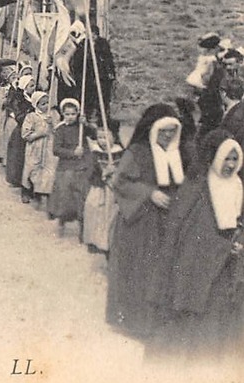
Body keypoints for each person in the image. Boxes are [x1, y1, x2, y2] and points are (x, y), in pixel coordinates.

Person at [150, 129, 244, 356]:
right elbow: (190, 234)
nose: (230, 165)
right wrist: (224, 247)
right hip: (199, 266)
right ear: (213, 158)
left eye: (235, 159)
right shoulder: (198, 188)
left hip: (227, 265)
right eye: (226, 158)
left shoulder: (237, 186)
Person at [106, 103, 184, 340]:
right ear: (152, 130)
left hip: (164, 223)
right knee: (138, 271)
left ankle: (154, 322)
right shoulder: (137, 152)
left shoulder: (175, 155)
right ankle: (135, 323)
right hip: (138, 223)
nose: (168, 136)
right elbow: (120, 183)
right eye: (164, 131)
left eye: (172, 131)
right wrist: (149, 193)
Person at [48, 98, 89, 234]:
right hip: (65, 167)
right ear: (63, 114)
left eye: (73, 114)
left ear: (77, 114)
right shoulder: (60, 129)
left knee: (81, 194)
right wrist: (73, 153)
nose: (70, 117)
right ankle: (62, 221)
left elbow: (94, 135)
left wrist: (86, 124)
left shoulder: (81, 128)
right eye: (67, 114)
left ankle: (82, 223)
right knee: (65, 195)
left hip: (80, 166)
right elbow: (56, 150)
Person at [82, 125, 123, 255]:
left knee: (111, 215)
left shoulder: (120, 152)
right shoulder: (95, 153)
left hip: (114, 190)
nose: (102, 141)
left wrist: (115, 170)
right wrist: (103, 172)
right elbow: (90, 172)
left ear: (114, 137)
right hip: (99, 188)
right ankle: (95, 241)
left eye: (105, 137)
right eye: (99, 137)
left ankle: (109, 242)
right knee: (94, 209)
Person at [21, 91, 59, 210]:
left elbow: (58, 131)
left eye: (48, 102)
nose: (46, 106)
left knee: (48, 170)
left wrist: (52, 123)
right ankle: (27, 190)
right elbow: (25, 134)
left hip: (49, 147)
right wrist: (40, 133)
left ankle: (42, 192)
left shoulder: (54, 114)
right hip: (35, 148)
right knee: (32, 169)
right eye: (42, 104)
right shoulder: (31, 117)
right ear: (36, 105)